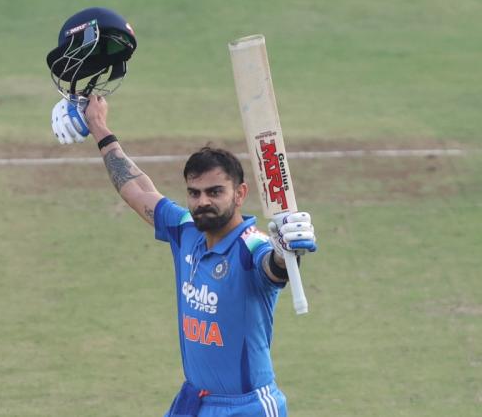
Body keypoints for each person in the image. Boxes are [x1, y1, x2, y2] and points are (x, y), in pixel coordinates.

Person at [76, 94, 318, 417]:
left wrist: (288, 250)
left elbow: (273, 269)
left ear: (240, 194)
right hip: (195, 402)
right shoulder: (185, 230)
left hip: (248, 407)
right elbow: (138, 190)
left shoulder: (252, 247)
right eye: (194, 193)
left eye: (215, 192)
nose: (203, 201)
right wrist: (98, 126)